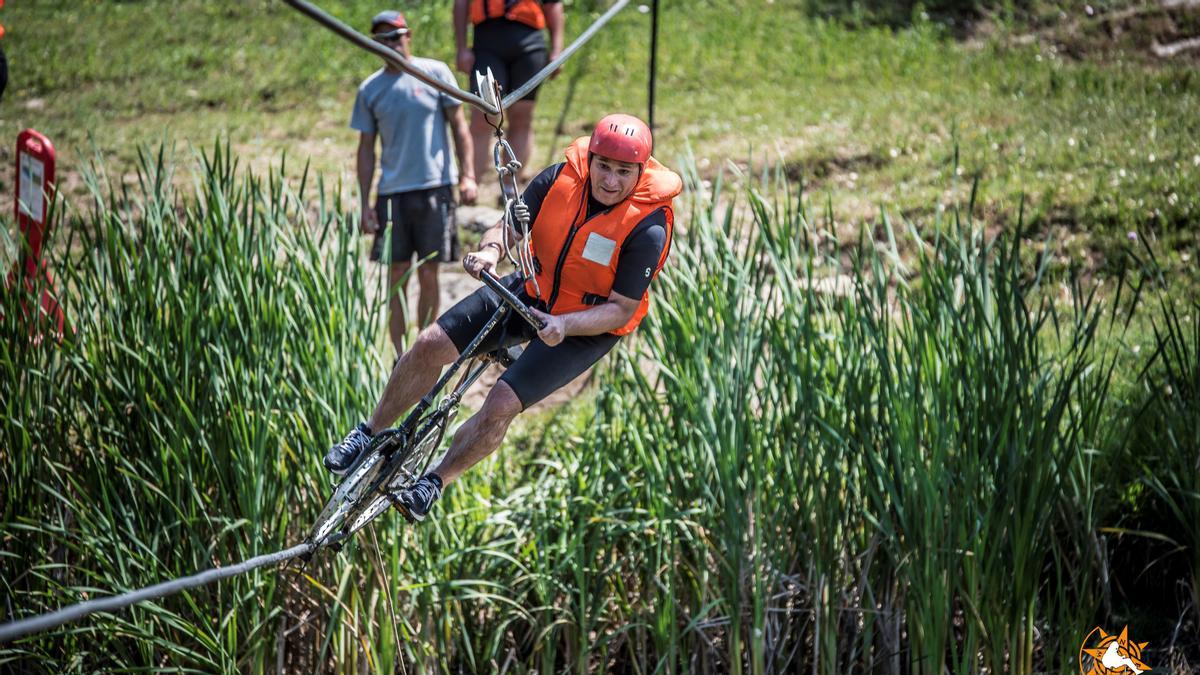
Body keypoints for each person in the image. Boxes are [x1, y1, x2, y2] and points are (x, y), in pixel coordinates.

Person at [325, 114, 682, 523]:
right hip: (532, 290)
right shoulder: (562, 177)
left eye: (624, 172)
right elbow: (509, 225)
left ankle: (435, 480)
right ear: (591, 160)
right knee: (429, 344)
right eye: (603, 166)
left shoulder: (649, 226)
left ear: (641, 171)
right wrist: (492, 251)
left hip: (587, 325)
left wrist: (565, 326)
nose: (610, 181)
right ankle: (368, 433)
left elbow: (621, 308)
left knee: (500, 403)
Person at [352, 10, 478, 354]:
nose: (391, 44)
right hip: (393, 192)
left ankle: (423, 348)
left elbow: (460, 127)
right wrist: (365, 204)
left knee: (429, 273)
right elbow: (366, 150)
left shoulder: (435, 73)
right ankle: (397, 352)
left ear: (408, 36)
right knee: (396, 274)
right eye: (382, 40)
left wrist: (467, 175)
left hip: (435, 187)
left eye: (396, 36)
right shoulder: (371, 90)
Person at [452, 0, 564, 189]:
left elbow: (553, 5)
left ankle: (510, 187)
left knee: (521, 117)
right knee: (482, 118)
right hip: (487, 44)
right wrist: (461, 48)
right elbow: (461, 4)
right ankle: (471, 185)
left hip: (529, 45)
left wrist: (556, 50)